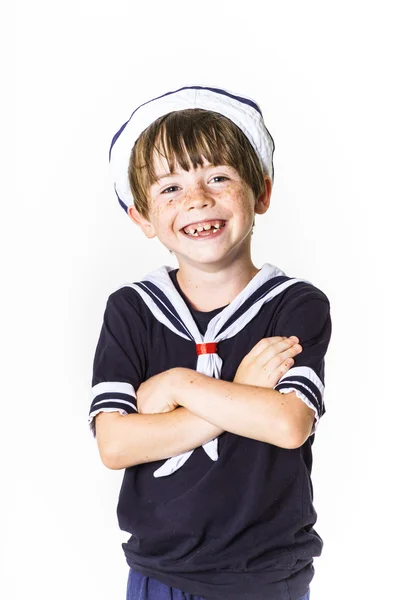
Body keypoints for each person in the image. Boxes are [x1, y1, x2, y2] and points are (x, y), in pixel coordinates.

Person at [88, 86, 332, 600]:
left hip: (266, 573)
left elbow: (287, 424)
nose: (197, 199)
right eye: (169, 188)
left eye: (219, 178)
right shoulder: (131, 310)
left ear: (261, 193)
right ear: (142, 217)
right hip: (159, 571)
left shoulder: (293, 304)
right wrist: (239, 393)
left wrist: (176, 386)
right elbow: (115, 444)